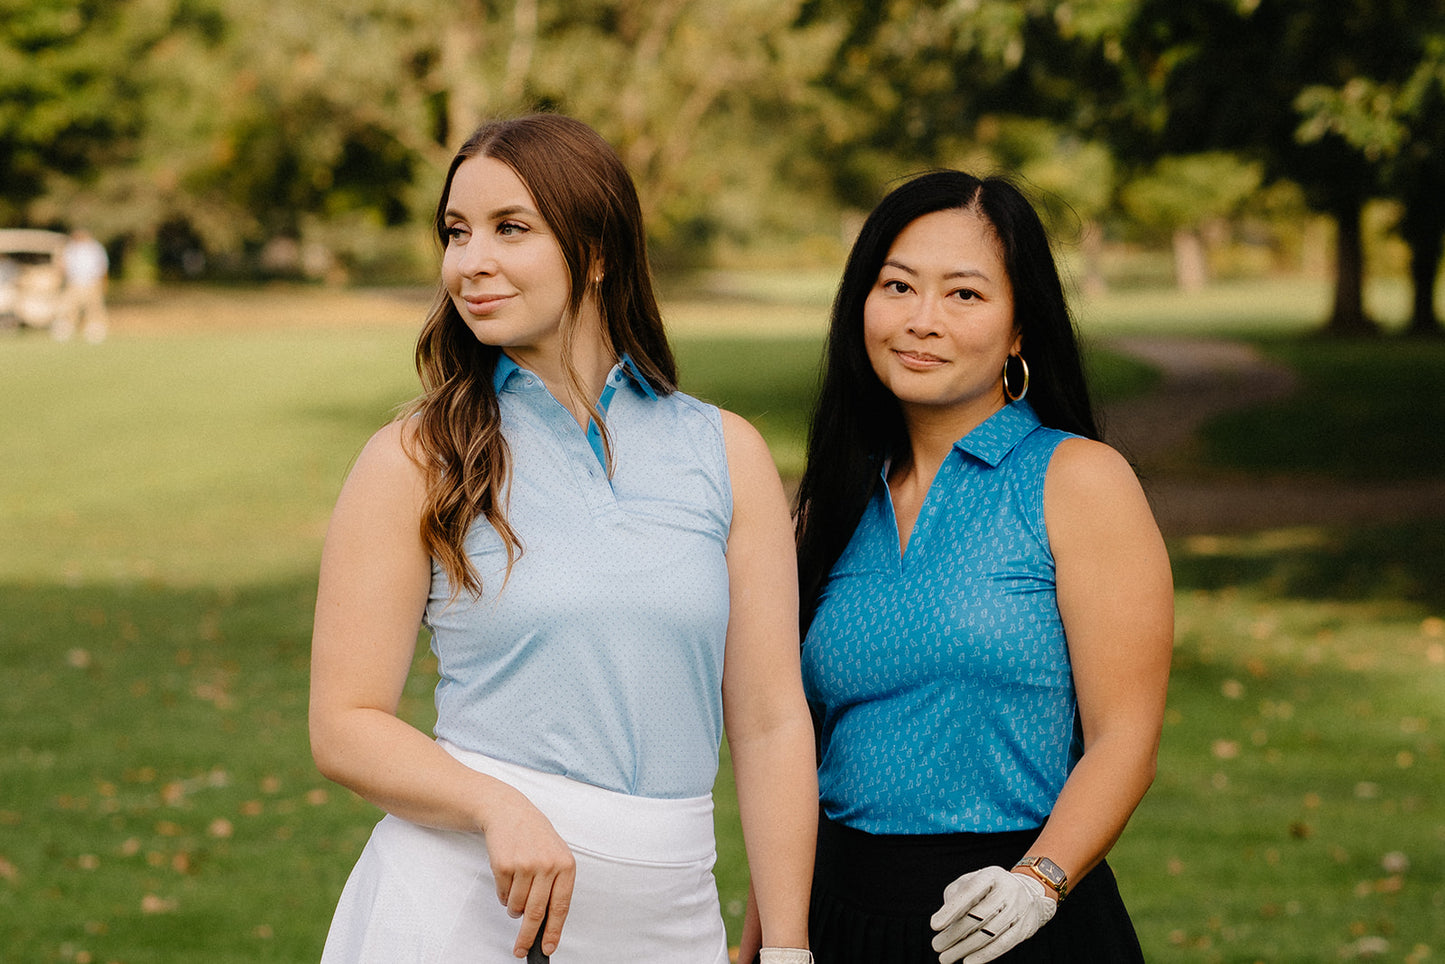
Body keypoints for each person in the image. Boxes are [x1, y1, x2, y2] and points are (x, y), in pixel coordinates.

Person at [310, 114, 817, 964]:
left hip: (672, 918)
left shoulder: (725, 452)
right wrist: (493, 805)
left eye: (511, 229)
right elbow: (345, 724)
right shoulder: (413, 457)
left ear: (595, 250)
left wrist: (789, 948)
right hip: (463, 912)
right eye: (456, 232)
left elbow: (768, 722)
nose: (470, 261)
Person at [794, 171, 1173, 964]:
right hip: (841, 918)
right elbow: (791, 748)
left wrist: (1036, 882)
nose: (920, 321)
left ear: (1019, 329)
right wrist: (774, 932)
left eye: (963, 295)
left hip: (1015, 920)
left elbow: (1124, 738)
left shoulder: (1078, 481)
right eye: (896, 286)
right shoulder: (829, 506)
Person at [57, 228, 109, 343]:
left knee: (94, 307)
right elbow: (63, 264)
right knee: (69, 307)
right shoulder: (71, 248)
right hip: (74, 281)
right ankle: (65, 329)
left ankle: (95, 330)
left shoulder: (95, 248)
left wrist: (102, 282)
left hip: (92, 281)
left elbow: (102, 265)